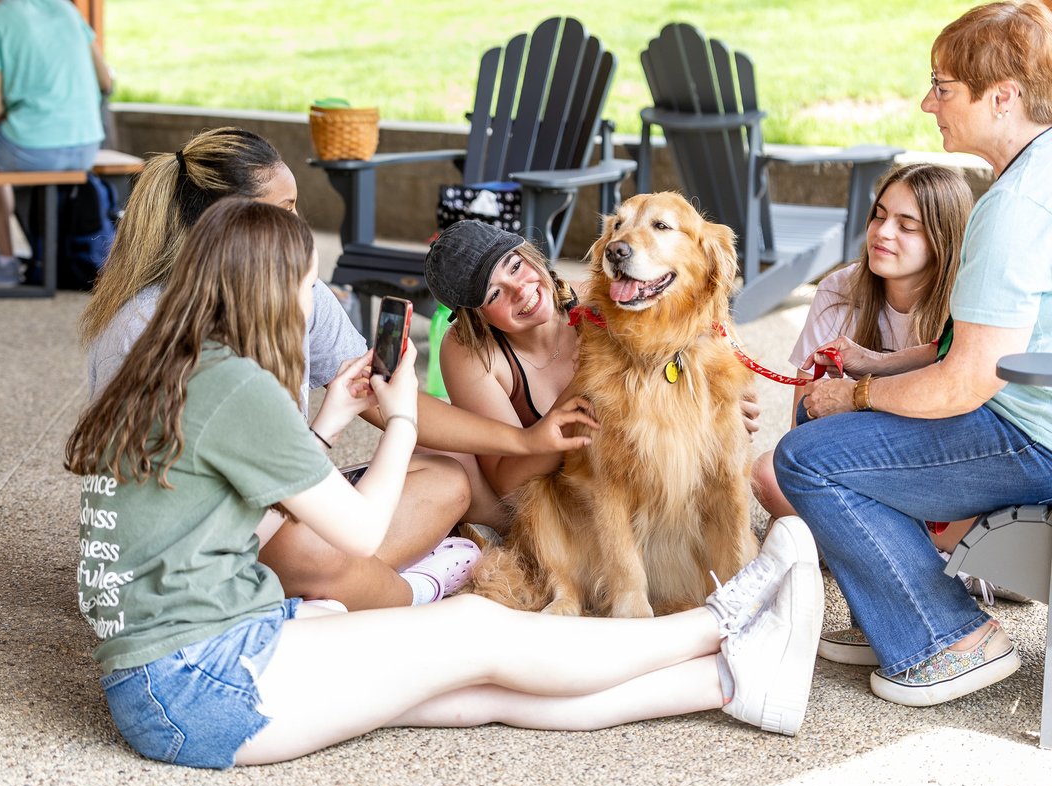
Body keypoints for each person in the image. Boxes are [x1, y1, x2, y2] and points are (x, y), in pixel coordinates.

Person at [64, 196, 826, 768]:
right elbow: (359, 533)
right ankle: (728, 623)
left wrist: (328, 424)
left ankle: (733, 685)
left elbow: (244, 525)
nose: (321, 298)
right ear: (261, 289)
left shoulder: (173, 372)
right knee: (478, 632)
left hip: (172, 678)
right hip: (203, 683)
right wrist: (398, 420)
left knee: (478, 691)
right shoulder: (238, 388)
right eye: (307, 281)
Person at [82, 127, 595, 610]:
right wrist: (394, 427)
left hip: (265, 507)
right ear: (235, 226)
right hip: (194, 542)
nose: (300, 226)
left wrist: (525, 443)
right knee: (321, 551)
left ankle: (344, 586)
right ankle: (404, 591)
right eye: (285, 210)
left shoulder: (295, 293)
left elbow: (359, 407)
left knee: (448, 477)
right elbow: (215, 493)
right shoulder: (161, 335)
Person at [775, 0, 1052, 707]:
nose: (929, 102)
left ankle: (945, 635)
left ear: (1004, 97)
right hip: (1032, 407)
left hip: (1032, 436)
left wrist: (854, 395)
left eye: (944, 87)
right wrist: (878, 363)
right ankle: (893, 607)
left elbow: (965, 383)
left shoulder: (1017, 205)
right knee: (827, 428)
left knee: (807, 454)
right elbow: (996, 338)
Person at [426, 219, 760, 527]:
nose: (520, 289)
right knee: (437, 454)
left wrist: (722, 399)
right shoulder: (469, 351)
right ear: (477, 319)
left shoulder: (593, 299)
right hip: (549, 500)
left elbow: (697, 327)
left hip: (629, 475)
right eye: (494, 294)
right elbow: (508, 485)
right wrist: (582, 386)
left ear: (530, 255)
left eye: (515, 266)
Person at [751, 163, 972, 520]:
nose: (882, 233)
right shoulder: (838, 290)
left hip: (930, 471)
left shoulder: (966, 303)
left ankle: (826, 538)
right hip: (851, 466)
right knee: (768, 473)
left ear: (942, 239)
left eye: (907, 226)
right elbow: (801, 427)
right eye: (878, 217)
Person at [0, 0, 111, 289]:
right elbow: (105, 80)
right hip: (87, 145)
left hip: (36, 149)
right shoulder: (64, 7)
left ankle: (4, 259)